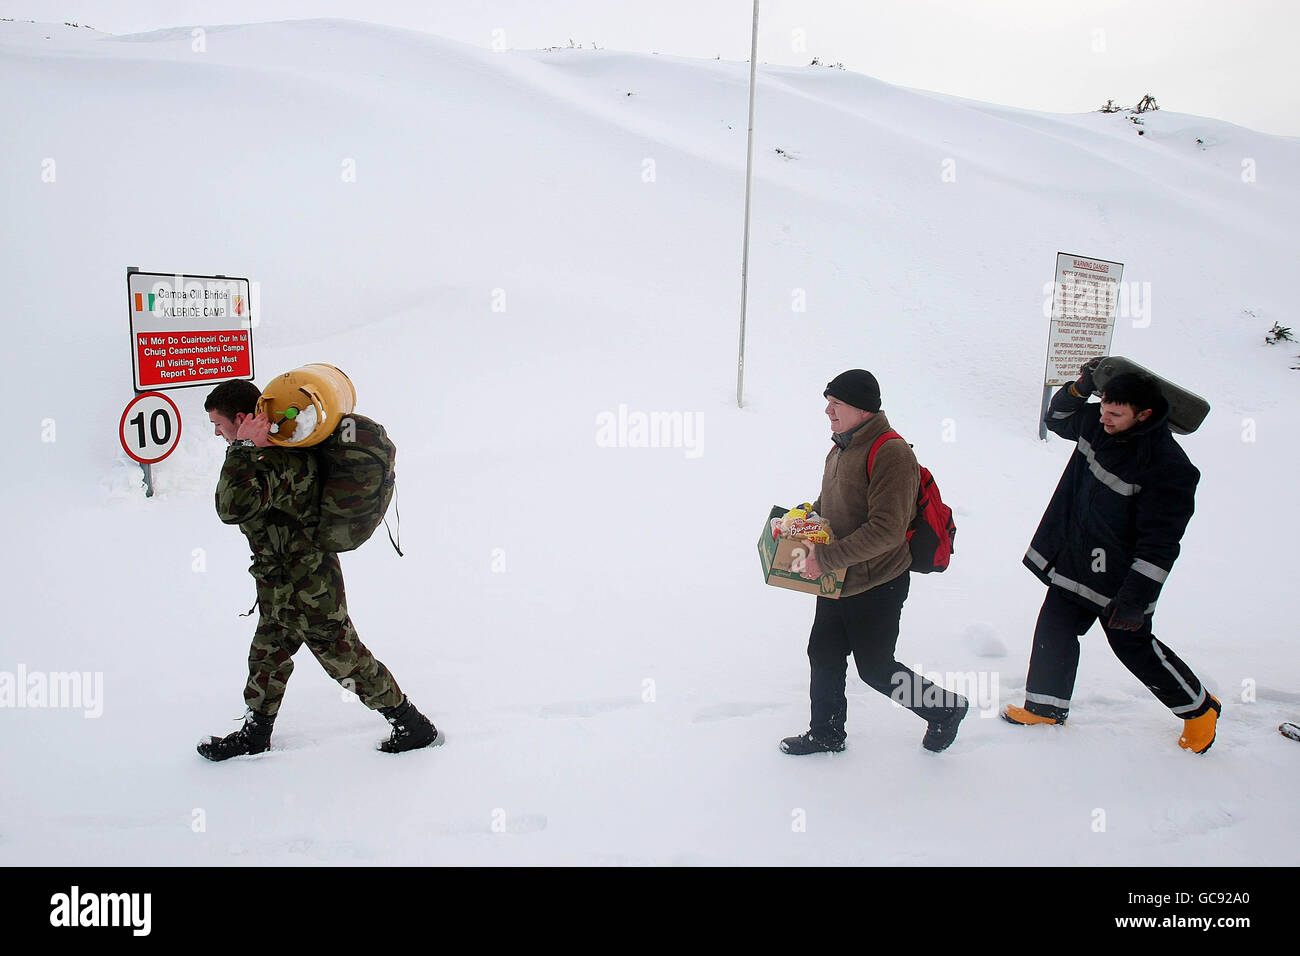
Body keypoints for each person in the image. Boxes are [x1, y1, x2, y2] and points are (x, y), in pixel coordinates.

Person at [197, 379, 440, 760]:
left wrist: (242, 449)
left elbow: (233, 507)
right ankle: (255, 734)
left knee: (346, 659)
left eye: (219, 424)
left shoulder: (276, 461)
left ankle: (412, 724)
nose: (216, 431)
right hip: (278, 583)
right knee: (267, 655)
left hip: (308, 586)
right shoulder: (268, 457)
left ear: (243, 419)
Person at [1005, 360, 1220, 753]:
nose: (1105, 418)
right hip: (1077, 557)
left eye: (1116, 414)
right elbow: (1057, 418)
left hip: (1121, 579)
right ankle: (1045, 708)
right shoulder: (1096, 422)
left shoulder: (1169, 469)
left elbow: (1161, 543)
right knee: (1055, 625)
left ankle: (1199, 707)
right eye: (1103, 407)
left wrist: (1136, 597)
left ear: (1145, 415)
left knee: (1132, 647)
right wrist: (1081, 386)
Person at [781, 369, 968, 755]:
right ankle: (827, 732)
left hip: (877, 582)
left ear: (862, 409)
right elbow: (829, 507)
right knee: (824, 653)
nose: (828, 412)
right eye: (828, 404)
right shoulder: (840, 449)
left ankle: (945, 709)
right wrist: (799, 525)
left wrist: (827, 557)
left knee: (876, 669)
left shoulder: (892, 454)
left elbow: (887, 530)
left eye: (837, 404)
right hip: (838, 579)